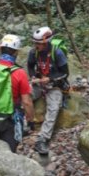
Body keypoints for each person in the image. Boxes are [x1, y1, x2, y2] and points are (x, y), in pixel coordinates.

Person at [27, 26, 69, 155]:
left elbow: (65, 73)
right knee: (25, 94)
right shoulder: (33, 52)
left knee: (53, 108)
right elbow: (30, 66)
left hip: (55, 84)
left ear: (46, 42)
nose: (36, 45)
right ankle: (25, 123)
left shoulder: (57, 52)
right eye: (35, 43)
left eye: (38, 43)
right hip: (39, 82)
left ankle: (43, 139)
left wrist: (50, 79)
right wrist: (33, 76)